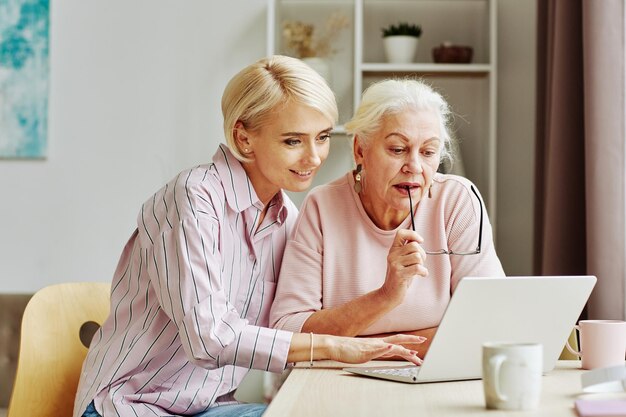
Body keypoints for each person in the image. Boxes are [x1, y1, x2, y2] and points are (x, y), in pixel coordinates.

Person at [73, 57, 423, 417]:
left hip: (209, 408)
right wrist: (330, 346)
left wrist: (389, 290)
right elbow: (210, 339)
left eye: (321, 137)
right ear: (244, 137)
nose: (314, 157)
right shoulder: (193, 198)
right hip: (128, 407)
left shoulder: (287, 219)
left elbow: (298, 320)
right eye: (293, 141)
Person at [270, 78, 505, 358]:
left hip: (434, 375)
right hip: (341, 380)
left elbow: (489, 323)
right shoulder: (322, 207)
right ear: (360, 150)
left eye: (429, 152)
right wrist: (387, 295)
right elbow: (288, 332)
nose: (415, 166)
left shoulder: (457, 200)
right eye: (397, 149)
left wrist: (367, 346)